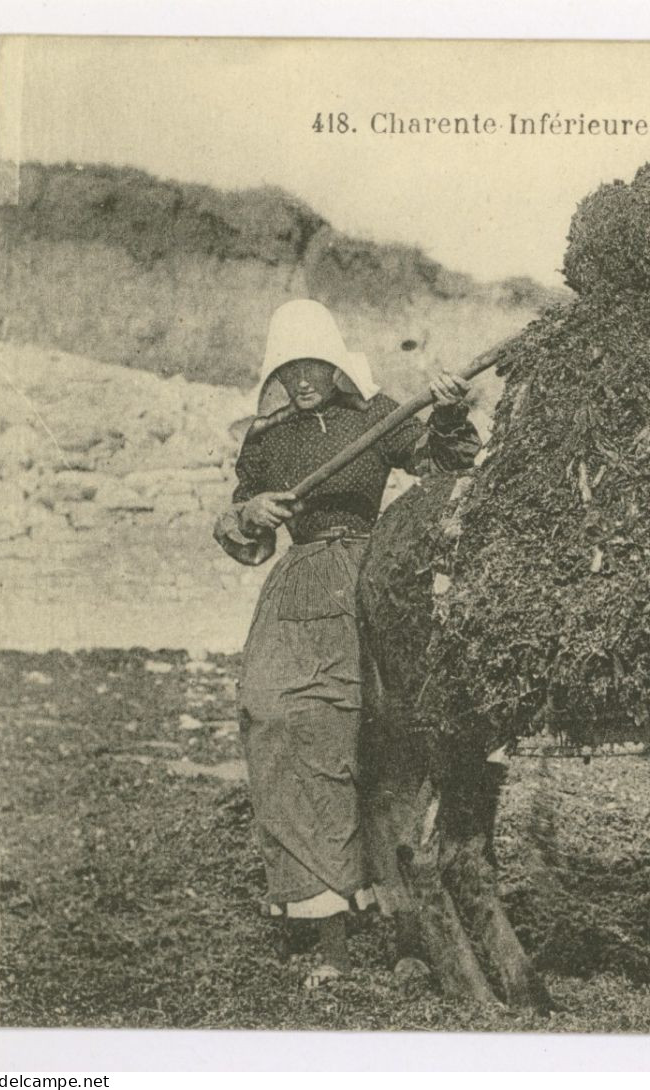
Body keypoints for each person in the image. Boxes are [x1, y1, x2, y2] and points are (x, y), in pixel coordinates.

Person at [213, 298, 481, 986]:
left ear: (337, 364)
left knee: (392, 740)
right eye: (289, 368)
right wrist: (252, 511)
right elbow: (242, 536)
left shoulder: (379, 415)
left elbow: (446, 465)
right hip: (302, 588)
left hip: (378, 576)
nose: (302, 379)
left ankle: (406, 932)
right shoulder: (267, 440)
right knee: (281, 719)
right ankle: (325, 926)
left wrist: (448, 411)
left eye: (314, 364)